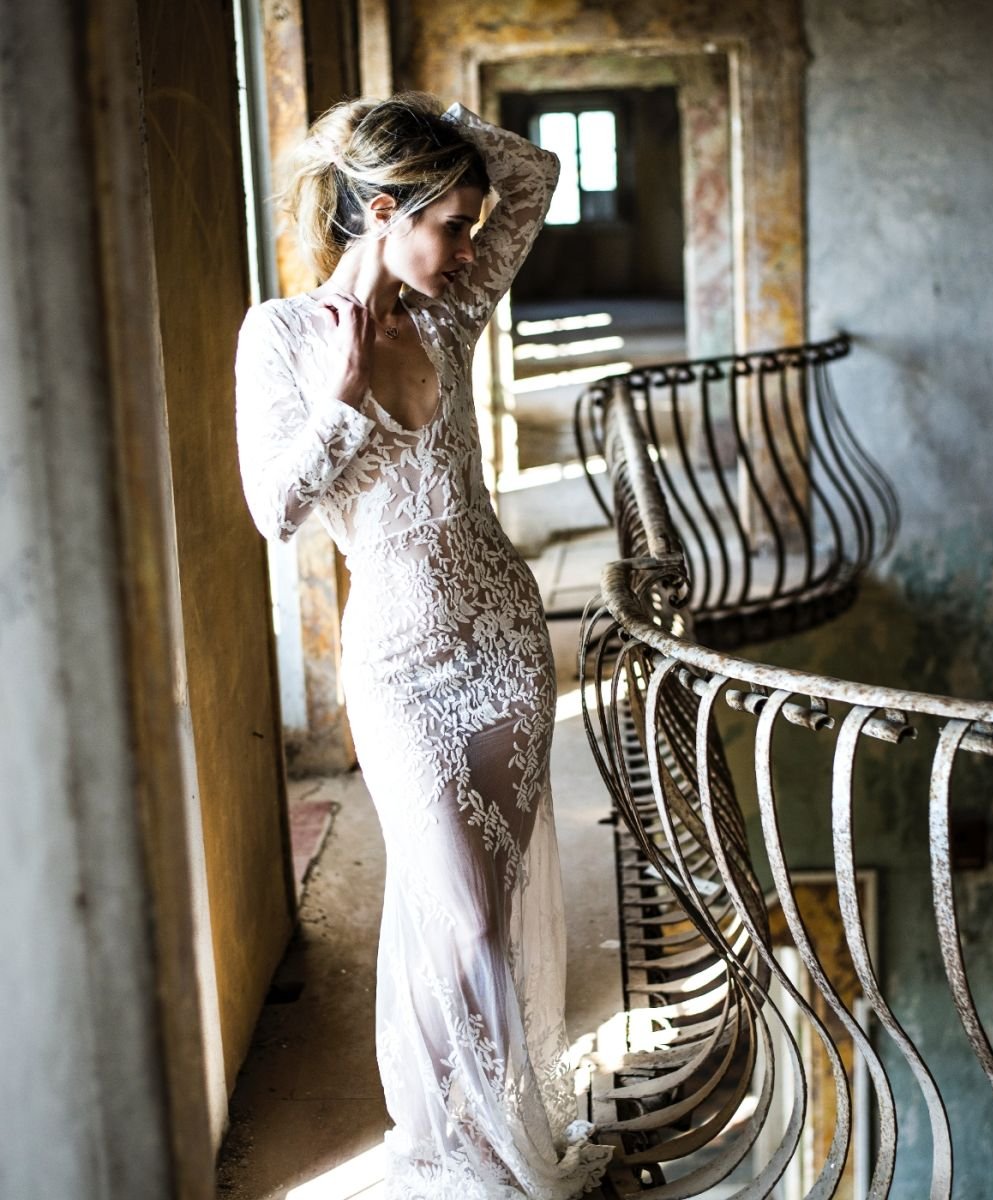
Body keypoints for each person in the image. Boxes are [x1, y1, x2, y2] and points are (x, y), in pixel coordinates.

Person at [234, 92, 613, 1200]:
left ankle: (488, 1135)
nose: (469, 248)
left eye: (470, 228)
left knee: (491, 907)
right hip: (400, 662)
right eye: (451, 224)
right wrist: (343, 400)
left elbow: (534, 176)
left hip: (504, 639)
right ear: (382, 210)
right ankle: (452, 1140)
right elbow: (275, 511)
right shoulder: (281, 335)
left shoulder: (449, 314)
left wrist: (414, 128)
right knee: (458, 910)